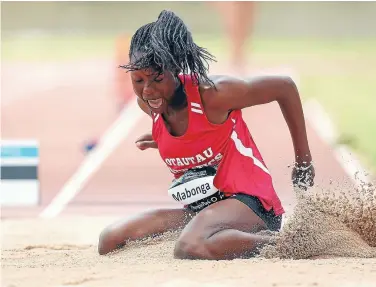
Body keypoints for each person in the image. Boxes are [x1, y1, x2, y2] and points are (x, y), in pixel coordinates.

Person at [98, 10, 315, 260]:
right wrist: (164, 140)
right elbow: (197, 136)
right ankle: (213, 237)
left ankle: (288, 242)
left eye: (157, 79)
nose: (147, 90)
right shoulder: (149, 104)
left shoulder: (214, 94)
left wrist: (304, 161)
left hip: (251, 204)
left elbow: (284, 87)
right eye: (138, 81)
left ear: (175, 69)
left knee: (190, 246)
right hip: (204, 208)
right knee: (110, 239)